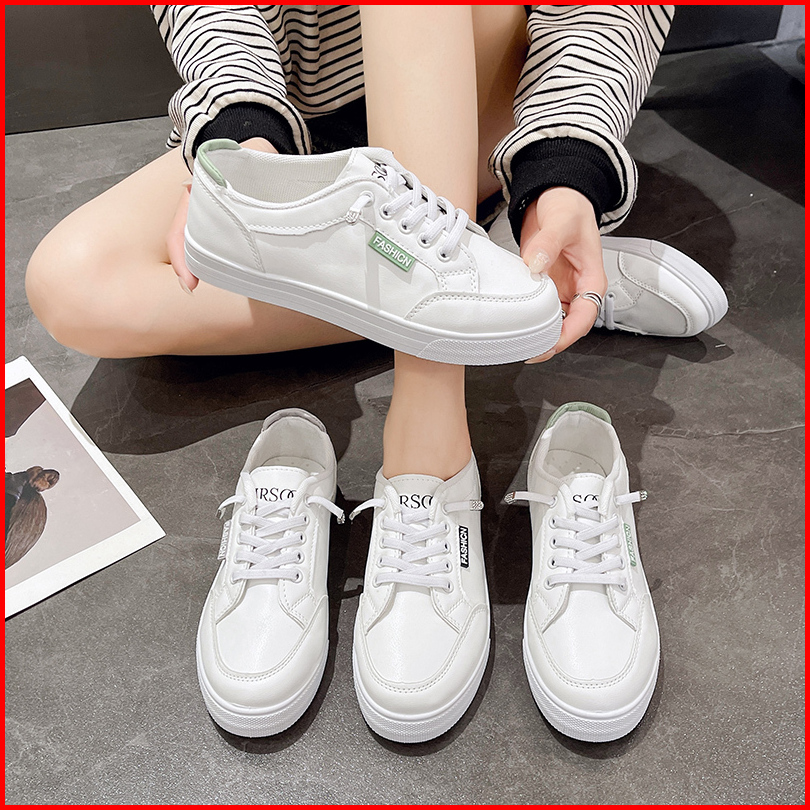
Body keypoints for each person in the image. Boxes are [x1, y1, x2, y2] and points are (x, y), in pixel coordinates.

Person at [25, 5, 687, 742]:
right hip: (312, 122)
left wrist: (565, 161)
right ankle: (510, 282)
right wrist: (247, 146)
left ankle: (429, 445)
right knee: (71, 285)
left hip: (487, 89)